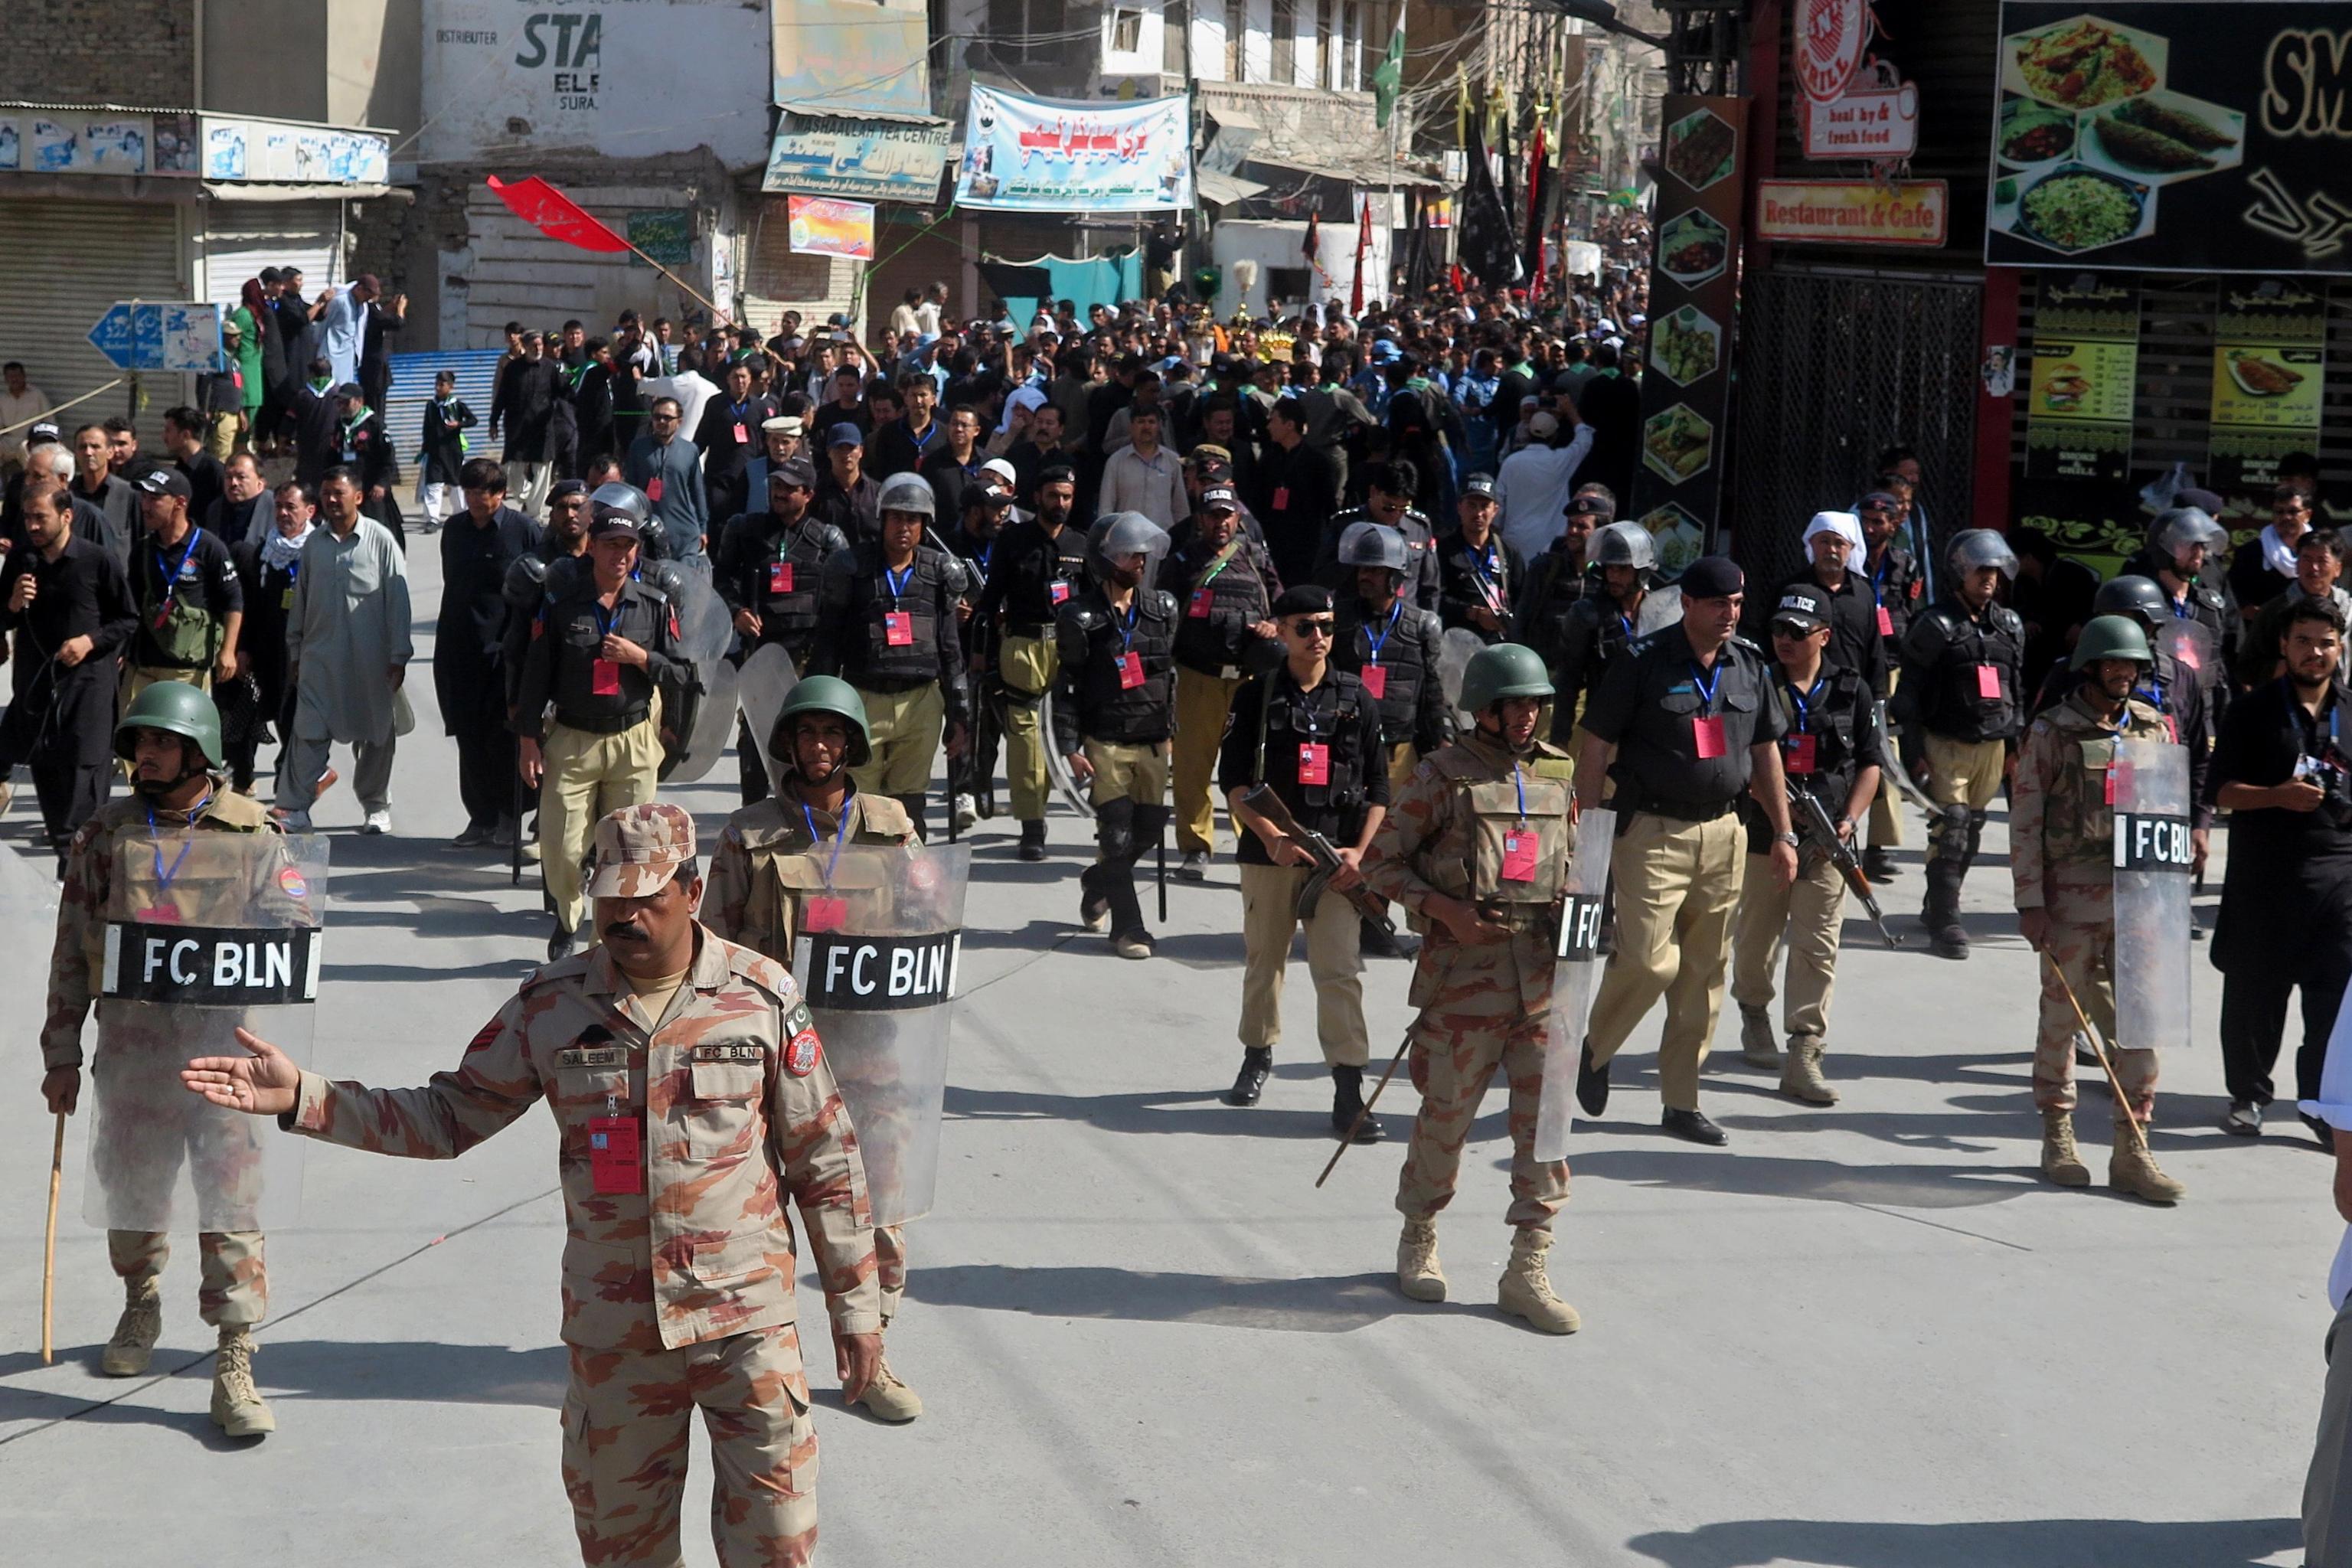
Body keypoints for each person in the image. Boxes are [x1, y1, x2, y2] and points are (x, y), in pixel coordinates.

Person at [182, 802, 883, 1561]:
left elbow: (826, 1158)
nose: (625, 914)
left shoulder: (762, 994)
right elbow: (448, 1115)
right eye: (610, 895)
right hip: (617, 1337)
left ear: (692, 888)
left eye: (646, 896)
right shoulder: (552, 1002)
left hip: (746, 1326)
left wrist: (859, 1310)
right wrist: (305, 1096)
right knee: (623, 1550)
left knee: (777, 1549)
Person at [43, 681, 289, 1437]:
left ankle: (234, 1357)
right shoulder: (106, 835)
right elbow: (71, 952)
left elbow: (295, 933)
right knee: (133, 1195)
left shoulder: (253, 833)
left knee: (231, 1207)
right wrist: (61, 1053)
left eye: (158, 743)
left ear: (198, 750)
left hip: (224, 1062)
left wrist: (272, 937)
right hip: (133, 1057)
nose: (143, 755)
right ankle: (140, 1295)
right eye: (138, 743)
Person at [702, 681, 925, 1424]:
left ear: (852, 742)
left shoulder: (893, 827)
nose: (820, 747)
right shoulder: (750, 831)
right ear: (789, 744)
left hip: (871, 1053)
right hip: (778, 1059)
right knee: (759, 1216)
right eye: (808, 734)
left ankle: (874, 1349)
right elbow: (713, 944)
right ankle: (761, 1353)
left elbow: (932, 919)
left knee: (881, 1210)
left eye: (834, 733)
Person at [1366, 642, 1577, 1331]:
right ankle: (1419, 1232)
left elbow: (1575, 860)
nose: (1527, 717)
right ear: (1484, 709)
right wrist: (1445, 910)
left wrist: (1583, 913)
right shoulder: (1441, 775)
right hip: (1465, 984)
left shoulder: (1557, 772)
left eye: (1536, 704)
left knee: (1545, 1128)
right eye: (1515, 704)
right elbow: (1379, 864)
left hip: (1544, 979)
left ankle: (1527, 1265)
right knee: (1446, 1116)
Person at [1575, 555, 1798, 1145]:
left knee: (1703, 975)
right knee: (1651, 961)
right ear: (1690, 605)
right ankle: (1595, 1047)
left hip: (1726, 832)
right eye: (1719, 604)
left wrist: (1782, 831)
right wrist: (1590, 827)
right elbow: (1596, 744)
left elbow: (1765, 753)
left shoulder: (1749, 664)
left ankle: (1682, 1101)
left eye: (1738, 603)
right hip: (1652, 831)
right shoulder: (1642, 662)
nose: (1731, 614)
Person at [2011, 615, 2186, 1203]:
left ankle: (2133, 1146)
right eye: (2113, 663)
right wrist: (2030, 902)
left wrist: (2168, 896)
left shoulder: (2153, 728)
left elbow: (2167, 813)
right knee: (2062, 1021)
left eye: (2131, 665)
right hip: (2071, 902)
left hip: (2139, 902)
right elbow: (2026, 820)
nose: (2122, 673)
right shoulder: (2053, 732)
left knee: (2142, 1024)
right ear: (2090, 665)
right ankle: (2057, 1134)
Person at [1217, 585, 1387, 1133]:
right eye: (1306, 626)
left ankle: (1348, 1085)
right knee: (1264, 962)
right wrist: (1270, 836)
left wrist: (1358, 854)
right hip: (1271, 856)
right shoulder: (1256, 696)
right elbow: (1235, 783)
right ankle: (1257, 1055)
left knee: (1339, 971)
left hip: (1335, 860)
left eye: (1328, 626)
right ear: (1282, 630)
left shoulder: (1356, 697)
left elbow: (1380, 790)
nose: (1319, 637)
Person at [1729, 583, 1882, 1104]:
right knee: (1755, 941)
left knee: (1817, 948)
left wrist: (1851, 819)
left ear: (1824, 636)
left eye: (1797, 632)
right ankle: (1753, 1010)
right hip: (1760, 837)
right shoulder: (1754, 683)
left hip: (1824, 841)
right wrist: (1777, 811)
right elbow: (1736, 758)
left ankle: (1804, 1050)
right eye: (1777, 630)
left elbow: (1870, 763)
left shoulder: (1851, 689)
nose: (1785, 640)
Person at [513, 491, 680, 958]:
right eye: (611, 544)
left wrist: (641, 657)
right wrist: (529, 740)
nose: (620, 554)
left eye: (629, 546)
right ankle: (568, 918)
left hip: (632, 739)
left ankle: (599, 945)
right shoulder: (562, 604)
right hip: (573, 739)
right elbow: (536, 674)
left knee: (629, 853)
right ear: (591, 546)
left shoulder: (655, 604)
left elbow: (684, 671)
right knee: (562, 851)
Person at [2211, 597, 2352, 1140]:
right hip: (2265, 879)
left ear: (2339, 649)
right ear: (2283, 646)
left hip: (2338, 881)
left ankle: (2319, 1107)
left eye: (2325, 643)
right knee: (2255, 997)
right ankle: (2248, 1095)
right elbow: (2221, 791)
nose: (2314, 653)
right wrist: (2275, 796)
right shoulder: (2251, 711)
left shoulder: (2351, 709)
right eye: (2303, 641)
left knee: (2335, 1004)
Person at [808, 472, 970, 838]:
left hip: (921, 704)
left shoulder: (940, 572)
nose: (903, 526)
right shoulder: (849, 567)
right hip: (863, 700)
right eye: (896, 517)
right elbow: (828, 642)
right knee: (861, 804)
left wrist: (961, 715)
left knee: (909, 805)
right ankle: (865, 884)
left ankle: (909, 886)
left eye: (912, 519)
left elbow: (950, 649)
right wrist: (819, 709)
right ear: (882, 519)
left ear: (924, 525)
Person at [1895, 529, 2027, 960]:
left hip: (1992, 744)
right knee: (1949, 827)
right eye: (1979, 569)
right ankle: (1947, 921)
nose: (1988, 578)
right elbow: (1909, 695)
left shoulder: (2008, 626)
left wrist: (2015, 748)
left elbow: (2017, 690)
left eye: (1993, 569)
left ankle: (1938, 902)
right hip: (1945, 741)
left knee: (1971, 828)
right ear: (1959, 571)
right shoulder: (1934, 625)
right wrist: (1912, 754)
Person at [1054, 512, 1178, 960]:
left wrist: (1172, 732)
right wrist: (1069, 746)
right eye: (1129, 552)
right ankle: (1129, 929)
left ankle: (1098, 881)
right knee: (1117, 834)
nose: (1139, 561)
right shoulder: (1078, 616)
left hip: (1152, 738)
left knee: (1149, 825)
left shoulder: (1162, 610)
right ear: (1105, 559)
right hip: (1104, 740)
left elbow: (1170, 676)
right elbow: (1066, 685)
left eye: (1142, 552)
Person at [0, 478, 135, 863]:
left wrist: (89, 642)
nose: (32, 527)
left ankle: (87, 866)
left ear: (67, 516)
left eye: (40, 518)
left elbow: (126, 620)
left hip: (89, 689)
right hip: (39, 690)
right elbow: (1, 620)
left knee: (85, 778)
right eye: (27, 519)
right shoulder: (22, 561)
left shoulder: (97, 561)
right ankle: (68, 865)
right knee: (50, 779)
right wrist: (11, 604)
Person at [276, 468, 410, 835]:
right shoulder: (314, 545)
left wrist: (399, 656)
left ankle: (375, 804)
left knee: (377, 736)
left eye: (339, 493)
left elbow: (399, 603)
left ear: (359, 497)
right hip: (319, 659)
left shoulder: (381, 542)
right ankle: (296, 807)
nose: (332, 500)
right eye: (326, 493)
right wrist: (295, 650)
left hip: (371, 662)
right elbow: (300, 600)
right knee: (308, 732)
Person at [973, 464, 1092, 859]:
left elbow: (1096, 604)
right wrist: (982, 654)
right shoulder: (1014, 540)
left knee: (1061, 732)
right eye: (1053, 496)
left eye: (1067, 497)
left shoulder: (1082, 543)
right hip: (1023, 644)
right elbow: (991, 600)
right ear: (1038, 497)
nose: (1060, 503)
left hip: (1067, 649)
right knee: (1026, 740)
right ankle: (1032, 825)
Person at [1163, 485, 1281, 879]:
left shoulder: (1255, 558)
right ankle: (1196, 846)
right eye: (1213, 515)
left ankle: (1253, 840)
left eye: (1227, 515)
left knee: (1249, 767)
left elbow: (1281, 605)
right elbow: (1164, 617)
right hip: (1199, 678)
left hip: (1246, 683)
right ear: (1201, 519)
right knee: (1192, 768)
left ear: (1237, 518)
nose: (1221, 522)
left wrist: (1273, 625)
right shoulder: (1182, 561)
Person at [716, 459, 850, 803]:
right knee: (754, 741)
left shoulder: (827, 539)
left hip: (808, 656)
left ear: (808, 494)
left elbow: (845, 597)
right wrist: (737, 612)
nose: (780, 493)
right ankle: (754, 814)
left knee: (810, 738)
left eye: (790, 488)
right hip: (761, 652)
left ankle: (811, 812)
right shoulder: (748, 530)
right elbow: (722, 580)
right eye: (776, 486)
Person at [436, 460, 534, 846]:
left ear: (501, 494)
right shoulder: (455, 530)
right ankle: (480, 818)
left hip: (504, 654)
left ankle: (511, 816)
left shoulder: (522, 531)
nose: (476, 500)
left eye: (484, 492)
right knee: (469, 737)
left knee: (504, 740)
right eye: (470, 492)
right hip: (460, 650)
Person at [224, 480, 315, 796]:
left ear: (309, 511)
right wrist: (244, 647)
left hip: (305, 650)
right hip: (268, 649)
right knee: (261, 711)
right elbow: (249, 603)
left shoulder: (318, 550)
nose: (283, 513)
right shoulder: (264, 551)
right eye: (278, 506)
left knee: (296, 718)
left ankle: (291, 783)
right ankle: (250, 775)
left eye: (291, 507)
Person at [124, 466, 240, 705]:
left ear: (179, 503)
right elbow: (130, 605)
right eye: (144, 498)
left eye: (154, 499)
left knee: (178, 736)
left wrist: (228, 651)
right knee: (132, 733)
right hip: (143, 665)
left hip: (187, 669)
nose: (145, 506)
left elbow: (233, 601)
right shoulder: (142, 549)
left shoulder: (209, 547)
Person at [1857, 488, 1920, 882]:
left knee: (1886, 751)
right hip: (1854, 663)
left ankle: (1878, 846)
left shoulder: (1906, 565)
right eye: (1865, 520)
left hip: (1891, 666)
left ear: (1894, 525)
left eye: (1878, 521)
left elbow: (1912, 616)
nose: (1870, 528)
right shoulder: (1850, 560)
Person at [1316, 462, 1442, 612]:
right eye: (1389, 507)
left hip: (1405, 622)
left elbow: (1430, 587)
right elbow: (1321, 580)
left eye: (1404, 509)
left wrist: (1427, 625)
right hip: (1354, 619)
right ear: (1374, 492)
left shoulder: (1419, 526)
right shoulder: (1345, 525)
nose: (1395, 514)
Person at [2239, 528, 2352, 688]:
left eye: (2322, 561)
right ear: (2297, 565)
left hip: (2341, 704)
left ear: (2337, 569)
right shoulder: (2275, 611)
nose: (2314, 568)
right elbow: (2245, 669)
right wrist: (2280, 668)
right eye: (2306, 559)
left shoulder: (2348, 611)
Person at [1255, 397, 1341, 588]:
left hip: (1305, 545)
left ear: (1289, 425)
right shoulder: (1269, 460)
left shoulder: (1316, 461)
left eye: (1274, 420)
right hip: (1273, 540)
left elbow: (1328, 506)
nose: (1268, 426)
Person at [1494, 410, 1595, 562]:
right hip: (1551, 542)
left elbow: (1498, 504)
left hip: (1515, 541)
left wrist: (1495, 534)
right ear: (1554, 436)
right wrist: (1569, 410)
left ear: (1528, 434)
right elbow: (1585, 439)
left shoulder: (1511, 463)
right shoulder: (1561, 460)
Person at [1437, 477, 1524, 644]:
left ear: (1495, 510)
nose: (1478, 514)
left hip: (1499, 642)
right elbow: (1435, 597)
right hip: (1456, 642)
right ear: (1459, 507)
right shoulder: (1444, 550)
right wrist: (1472, 613)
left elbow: (1522, 597)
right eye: (1472, 505)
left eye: (1484, 506)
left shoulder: (1508, 551)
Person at [623, 397, 710, 560]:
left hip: (685, 535)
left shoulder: (690, 450)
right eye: (657, 417)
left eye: (667, 418)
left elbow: (698, 492)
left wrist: (702, 528)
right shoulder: (638, 448)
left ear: (680, 421)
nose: (661, 421)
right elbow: (630, 490)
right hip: (649, 532)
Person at [694, 359, 777, 525]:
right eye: (735, 377)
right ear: (728, 379)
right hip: (719, 476)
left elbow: (767, 440)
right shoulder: (716, 404)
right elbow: (702, 438)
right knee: (718, 522)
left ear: (750, 379)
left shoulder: (759, 407)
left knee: (748, 524)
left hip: (750, 476)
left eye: (743, 377)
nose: (740, 381)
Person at [492, 332, 562, 518]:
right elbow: (502, 398)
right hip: (518, 429)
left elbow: (561, 392)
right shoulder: (513, 369)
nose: (538, 348)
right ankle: (529, 498)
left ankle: (533, 515)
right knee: (513, 473)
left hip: (543, 429)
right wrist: (493, 422)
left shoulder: (550, 367)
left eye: (540, 345)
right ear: (525, 346)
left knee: (543, 471)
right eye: (534, 345)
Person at [330, 381, 405, 549]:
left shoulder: (374, 425)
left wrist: (381, 484)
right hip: (348, 490)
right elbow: (332, 455)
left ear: (359, 401)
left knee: (377, 529)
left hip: (371, 490)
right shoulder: (340, 426)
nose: (342, 407)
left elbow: (388, 458)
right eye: (339, 402)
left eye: (346, 402)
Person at [1099, 404, 1187, 529]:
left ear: (1159, 426)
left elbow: (1181, 507)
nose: (1146, 427)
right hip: (1126, 538)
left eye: (1151, 422)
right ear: (1131, 426)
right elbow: (1106, 507)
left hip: (1164, 538)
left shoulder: (1172, 460)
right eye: (1141, 422)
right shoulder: (1116, 461)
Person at [2232, 484, 2314, 613]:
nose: (2286, 517)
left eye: (2293, 512)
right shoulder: (2250, 552)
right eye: (2279, 512)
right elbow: (2233, 593)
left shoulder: (2319, 551)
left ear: (2308, 515)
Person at [416, 368, 479, 532]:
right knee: (433, 485)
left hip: (453, 452)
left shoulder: (457, 405)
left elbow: (473, 420)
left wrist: (459, 424)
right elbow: (426, 428)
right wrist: (424, 451)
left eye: (442, 384)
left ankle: (461, 516)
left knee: (456, 485)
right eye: (436, 384)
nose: (438, 387)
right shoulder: (431, 406)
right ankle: (432, 519)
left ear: (451, 387)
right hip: (435, 453)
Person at [68, 422, 137, 567]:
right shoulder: (67, 495)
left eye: (95, 447)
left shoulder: (129, 495)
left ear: (110, 452)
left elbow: (141, 544)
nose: (88, 452)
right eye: (82, 447)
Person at [815, 423, 880, 542]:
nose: (846, 454)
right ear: (829, 451)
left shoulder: (878, 492)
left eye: (851, 448)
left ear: (861, 451)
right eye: (840, 448)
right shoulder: (818, 493)